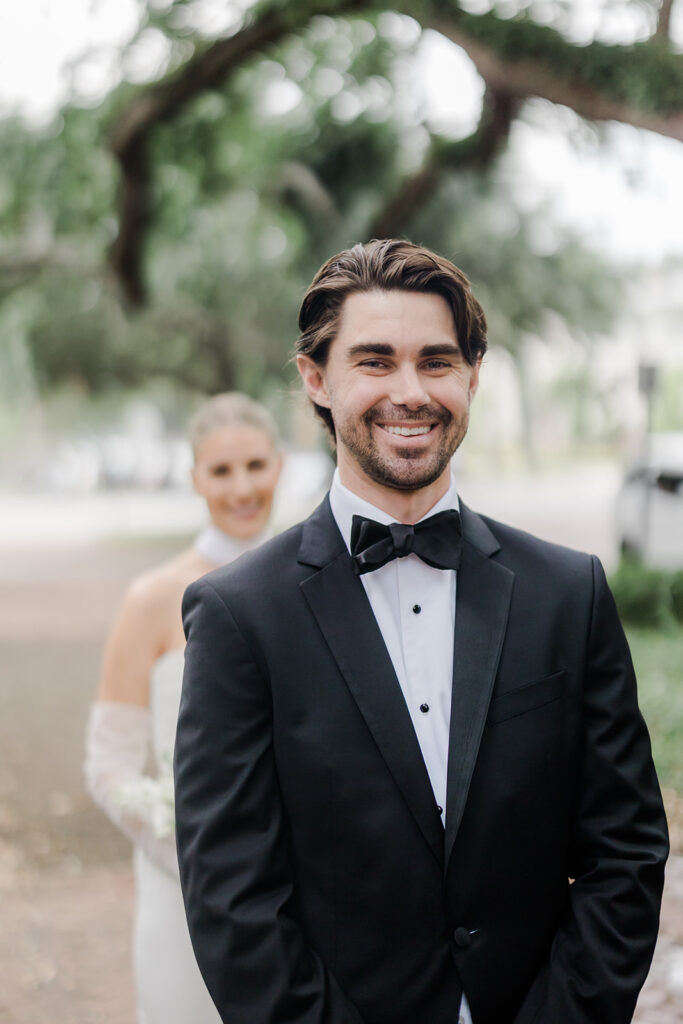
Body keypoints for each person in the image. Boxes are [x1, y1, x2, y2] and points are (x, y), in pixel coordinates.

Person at [174, 240, 669, 1024]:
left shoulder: (568, 594)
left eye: (436, 362)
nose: (410, 391)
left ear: (472, 376)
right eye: (374, 361)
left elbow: (627, 851)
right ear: (315, 378)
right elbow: (232, 895)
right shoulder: (238, 615)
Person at [85, 392, 283, 1024]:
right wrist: (191, 849)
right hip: (183, 894)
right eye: (221, 471)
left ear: (280, 465)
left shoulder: (312, 582)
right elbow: (108, 763)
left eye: (255, 465)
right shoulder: (151, 600)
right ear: (194, 476)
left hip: (299, 887)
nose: (242, 487)